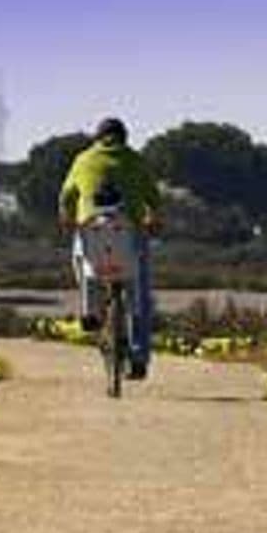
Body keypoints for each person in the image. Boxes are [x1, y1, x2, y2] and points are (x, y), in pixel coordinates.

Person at [58, 118, 162, 379]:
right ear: (124, 138)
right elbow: (154, 197)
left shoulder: (83, 160)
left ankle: (90, 310)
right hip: (130, 232)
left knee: (83, 261)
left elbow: (66, 195)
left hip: (91, 229)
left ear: (97, 138)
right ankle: (138, 356)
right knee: (140, 295)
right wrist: (154, 217)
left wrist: (67, 217)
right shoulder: (135, 159)